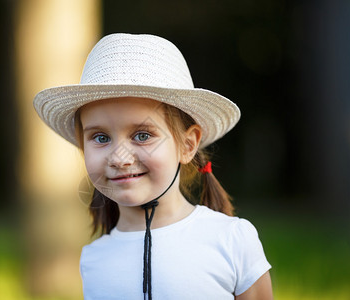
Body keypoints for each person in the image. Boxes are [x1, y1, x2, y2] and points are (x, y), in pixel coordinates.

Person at [33, 33, 273, 300]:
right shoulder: (94, 259)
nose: (120, 158)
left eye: (143, 135)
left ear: (187, 144)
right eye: (101, 138)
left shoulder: (232, 241)